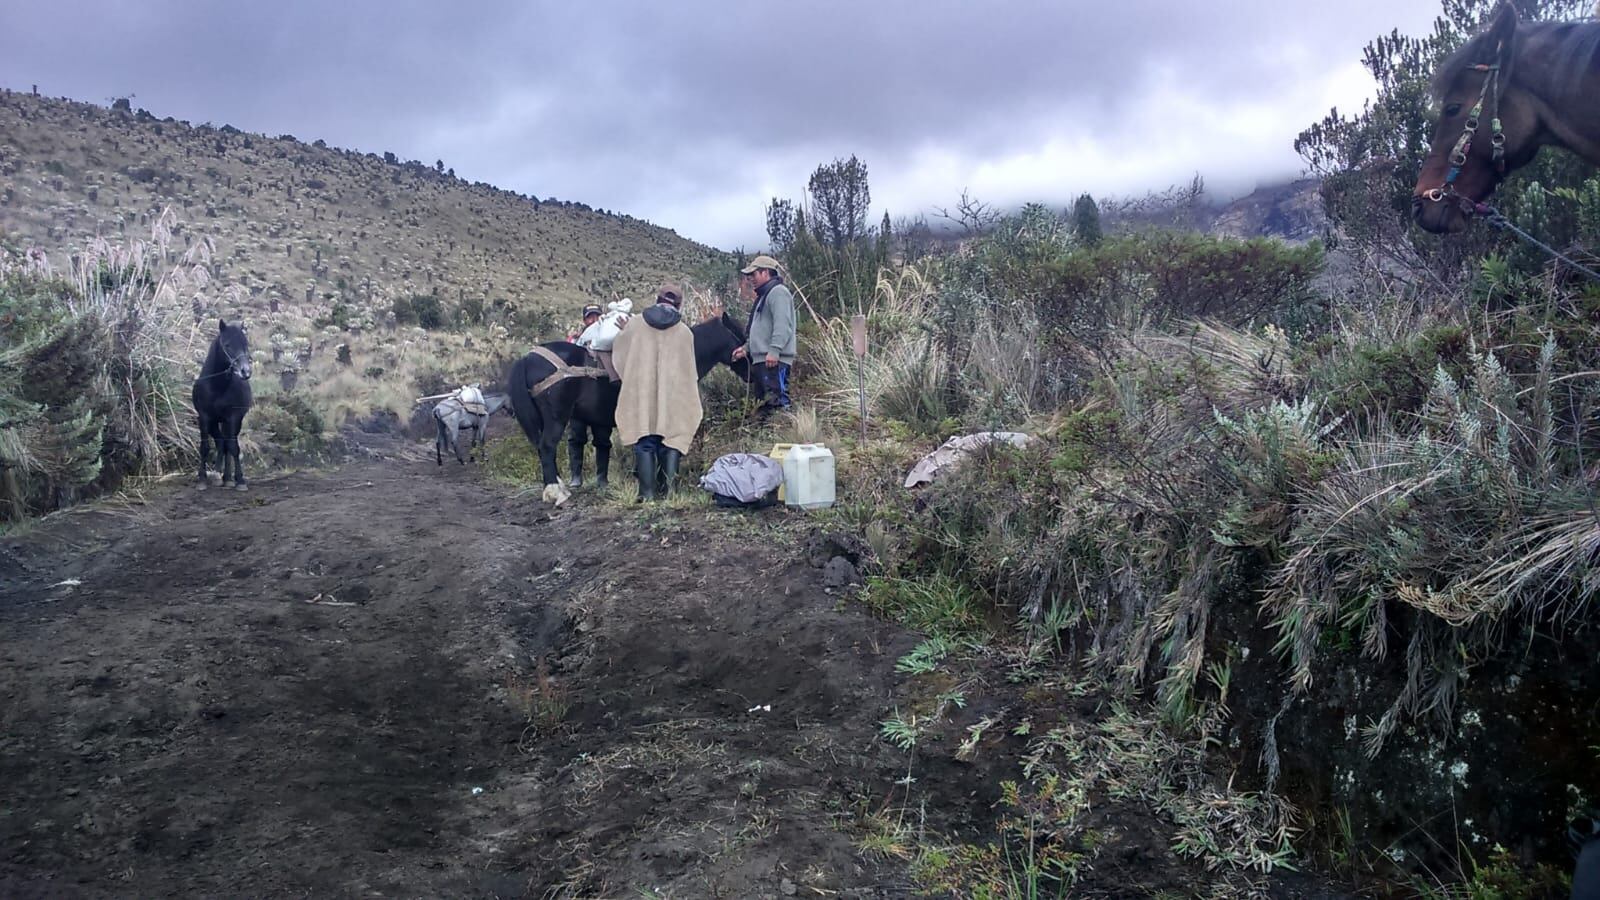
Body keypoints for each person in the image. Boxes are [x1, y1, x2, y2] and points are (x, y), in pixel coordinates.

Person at [611, 283, 703, 501]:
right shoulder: (685, 333)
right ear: (679, 305)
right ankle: (669, 492)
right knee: (672, 438)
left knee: (644, 438)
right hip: (673, 397)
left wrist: (635, 380)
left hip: (641, 395)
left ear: (657, 298)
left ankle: (647, 494)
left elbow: (621, 358)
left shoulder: (634, 325)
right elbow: (690, 372)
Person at [731, 255, 797, 414]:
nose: (750, 279)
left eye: (753, 274)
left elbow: (783, 325)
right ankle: (771, 437)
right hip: (765, 361)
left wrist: (774, 351)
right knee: (766, 406)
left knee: (777, 405)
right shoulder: (765, 295)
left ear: (766, 272)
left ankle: (784, 433)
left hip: (774, 361)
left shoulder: (778, 292)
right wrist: (746, 349)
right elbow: (762, 329)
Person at [564, 303, 605, 488]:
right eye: (590, 317)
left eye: (596, 316)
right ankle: (575, 477)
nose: (593, 320)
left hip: (602, 399)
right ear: (584, 320)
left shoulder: (607, 340)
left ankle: (602, 478)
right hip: (578, 400)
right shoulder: (575, 342)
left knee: (603, 438)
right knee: (576, 436)